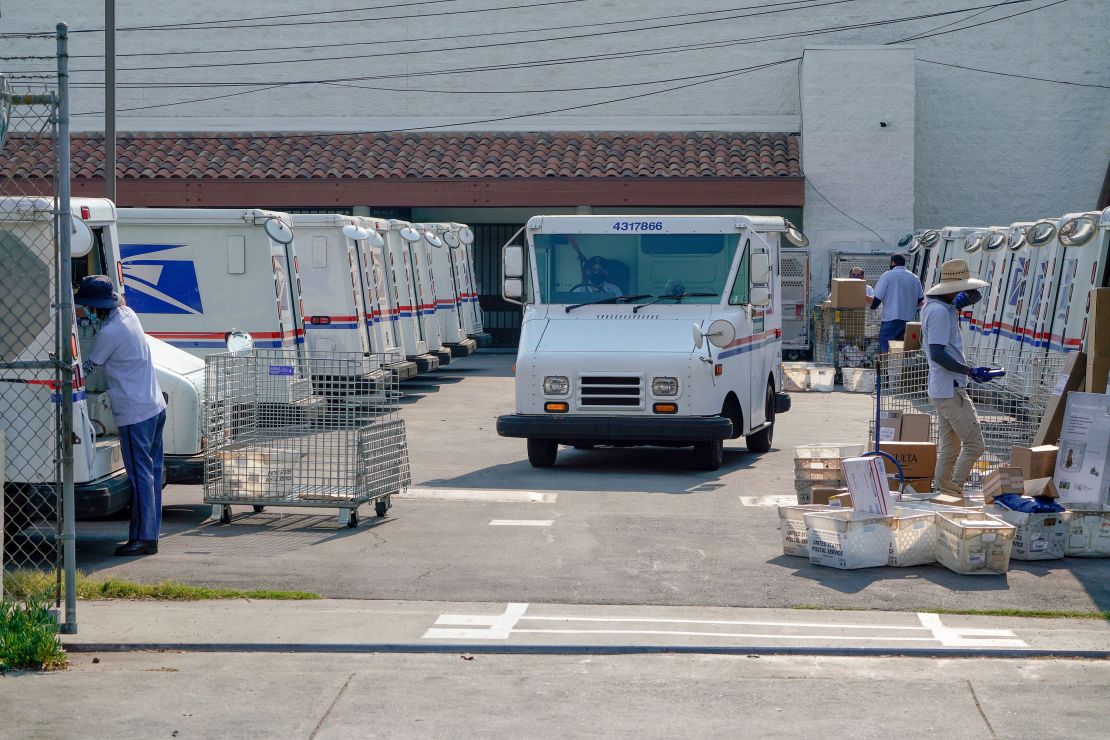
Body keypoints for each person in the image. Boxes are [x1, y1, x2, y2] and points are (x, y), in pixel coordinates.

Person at [75, 275, 167, 556]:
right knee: (151, 474)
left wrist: (66, 374)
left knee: (140, 478)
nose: (85, 311)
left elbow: (87, 369)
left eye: (87, 307)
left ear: (95, 307)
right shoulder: (128, 314)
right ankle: (149, 534)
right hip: (153, 405)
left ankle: (144, 539)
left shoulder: (109, 333)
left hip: (134, 413)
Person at [921, 259, 993, 495]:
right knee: (974, 445)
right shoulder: (940, 312)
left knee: (950, 448)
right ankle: (954, 489)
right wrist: (969, 371)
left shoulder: (936, 305)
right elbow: (938, 353)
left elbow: (975, 295)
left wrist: (963, 296)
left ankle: (942, 490)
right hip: (951, 388)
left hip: (941, 389)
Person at [870, 254, 924, 352]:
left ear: (893, 263)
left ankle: (885, 362)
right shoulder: (914, 277)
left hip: (891, 319)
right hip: (909, 321)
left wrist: (872, 307)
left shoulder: (887, 275)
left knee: (886, 350)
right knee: (900, 351)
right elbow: (920, 299)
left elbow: (877, 299)